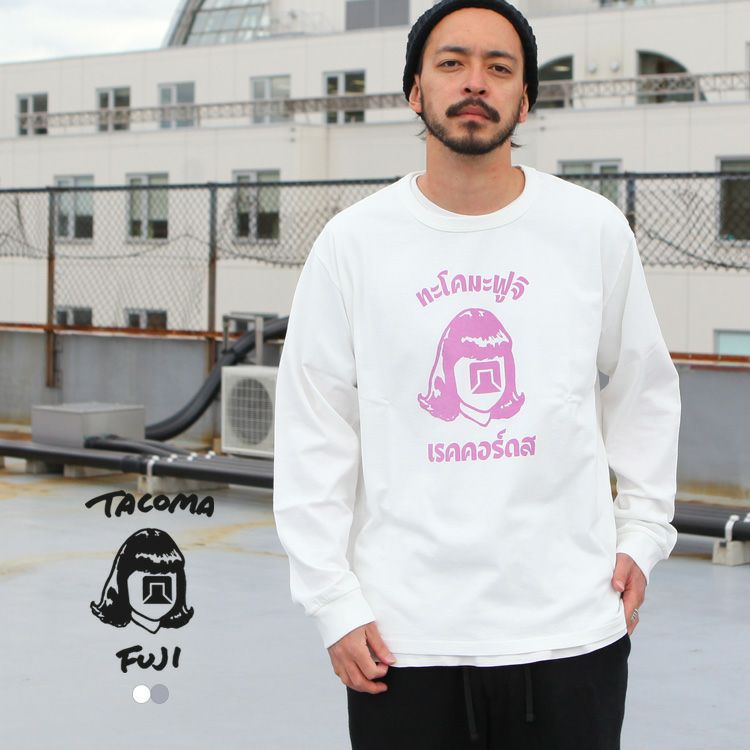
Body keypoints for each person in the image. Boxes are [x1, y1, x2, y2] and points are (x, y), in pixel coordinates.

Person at [272, 1, 681, 747]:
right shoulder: (353, 244)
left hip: (570, 630)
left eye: (499, 67)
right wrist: (331, 600)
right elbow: (313, 428)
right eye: (452, 63)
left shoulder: (590, 229)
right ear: (415, 91)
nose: (475, 82)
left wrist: (645, 530)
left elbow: (643, 387)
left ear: (525, 100)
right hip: (402, 638)